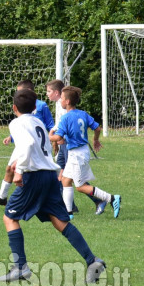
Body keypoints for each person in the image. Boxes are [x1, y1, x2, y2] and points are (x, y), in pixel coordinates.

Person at [0, 89, 105, 283]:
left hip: (34, 176)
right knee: (60, 221)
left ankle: (20, 267)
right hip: (49, 175)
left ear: (14, 108)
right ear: (34, 107)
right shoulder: (38, 122)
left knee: (10, 217)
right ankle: (92, 260)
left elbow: (27, 144)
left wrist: (19, 170)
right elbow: (40, 146)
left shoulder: (16, 123)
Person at [49, 86, 121, 219]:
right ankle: (68, 213)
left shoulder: (66, 118)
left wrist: (50, 136)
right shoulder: (83, 114)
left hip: (77, 154)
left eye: (62, 99)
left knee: (80, 186)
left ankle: (111, 198)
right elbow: (97, 128)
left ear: (68, 101)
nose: (60, 101)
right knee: (65, 180)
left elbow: (58, 138)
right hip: (79, 152)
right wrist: (95, 140)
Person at [0, 80, 54, 206]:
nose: (18, 95)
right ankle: (2, 197)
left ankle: (62, 201)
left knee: (29, 171)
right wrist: (11, 137)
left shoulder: (41, 106)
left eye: (20, 92)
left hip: (32, 145)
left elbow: (47, 126)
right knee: (10, 168)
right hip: (24, 143)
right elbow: (25, 129)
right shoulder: (23, 114)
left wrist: (54, 138)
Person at [46, 79, 104, 215]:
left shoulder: (66, 111)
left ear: (58, 93)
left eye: (49, 91)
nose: (47, 94)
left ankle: (102, 199)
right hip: (69, 146)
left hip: (72, 147)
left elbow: (67, 130)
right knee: (63, 177)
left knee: (75, 180)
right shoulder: (63, 108)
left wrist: (55, 139)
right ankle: (69, 208)